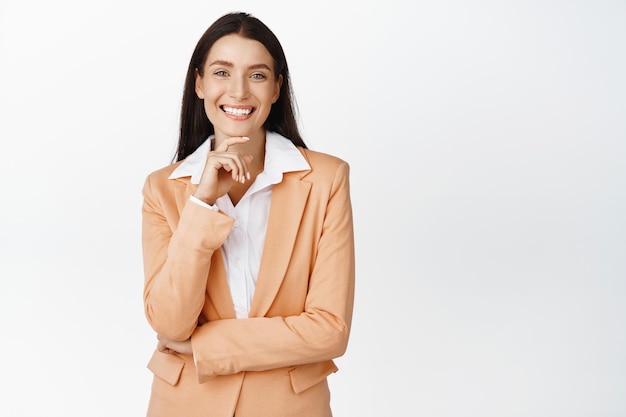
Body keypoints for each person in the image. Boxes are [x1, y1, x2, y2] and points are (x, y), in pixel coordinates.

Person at [140, 11, 355, 417]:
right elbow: (170, 324)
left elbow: (329, 330)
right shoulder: (161, 189)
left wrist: (205, 346)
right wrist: (202, 203)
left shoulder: (326, 179)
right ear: (199, 83)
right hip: (185, 405)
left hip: (290, 407)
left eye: (257, 75)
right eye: (222, 72)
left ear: (276, 88)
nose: (238, 92)